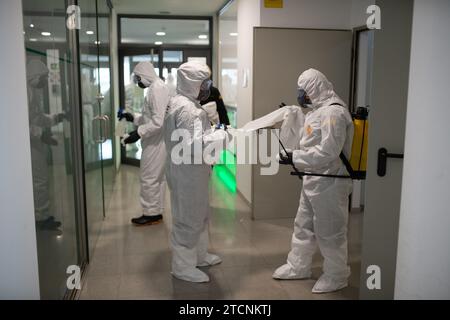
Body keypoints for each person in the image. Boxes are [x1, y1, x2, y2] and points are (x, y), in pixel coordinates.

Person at [273, 68, 354, 294]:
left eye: (304, 91)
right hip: (314, 179)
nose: (301, 96)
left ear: (315, 89)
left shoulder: (334, 113)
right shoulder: (317, 111)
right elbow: (310, 141)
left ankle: (337, 275)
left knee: (330, 230)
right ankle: (298, 266)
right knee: (303, 225)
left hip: (330, 181)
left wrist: (295, 157)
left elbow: (329, 151)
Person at [164, 61, 229, 283]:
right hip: (188, 170)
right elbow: (192, 146)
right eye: (204, 83)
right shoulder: (187, 109)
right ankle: (182, 266)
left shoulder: (183, 102)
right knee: (188, 217)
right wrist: (220, 136)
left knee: (199, 214)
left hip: (192, 169)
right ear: (192, 83)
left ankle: (199, 255)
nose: (207, 88)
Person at [119, 61, 170, 226]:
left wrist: (137, 133)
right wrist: (132, 117)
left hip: (156, 142)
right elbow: (149, 117)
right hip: (157, 141)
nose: (137, 82)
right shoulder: (155, 87)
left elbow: (158, 121)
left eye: (138, 78)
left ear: (145, 75)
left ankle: (151, 213)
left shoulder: (156, 89)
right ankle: (156, 211)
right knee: (157, 178)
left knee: (149, 177)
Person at [26, 59, 66, 231]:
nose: (44, 82)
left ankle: (39, 214)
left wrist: (58, 117)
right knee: (39, 179)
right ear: (33, 76)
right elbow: (22, 124)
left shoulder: (33, 91)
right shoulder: (24, 92)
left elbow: (38, 117)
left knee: (39, 179)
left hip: (34, 142)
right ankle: (40, 217)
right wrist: (41, 134)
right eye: (43, 78)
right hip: (29, 143)